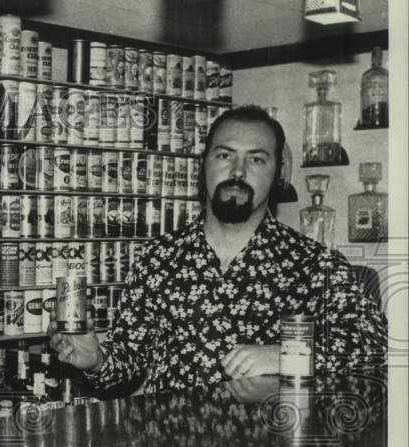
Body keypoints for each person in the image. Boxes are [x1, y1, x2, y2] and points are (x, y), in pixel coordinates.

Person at [48, 105, 387, 394]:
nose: (237, 172)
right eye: (225, 155)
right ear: (204, 163)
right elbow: (130, 363)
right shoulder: (159, 258)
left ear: (279, 173)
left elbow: (375, 346)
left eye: (256, 160)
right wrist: (96, 360)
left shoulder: (315, 264)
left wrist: (285, 354)